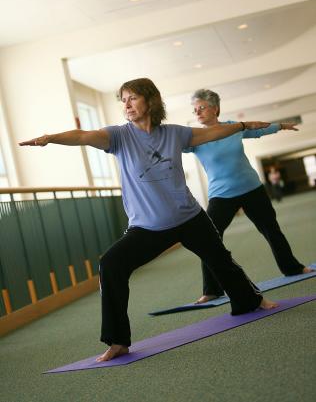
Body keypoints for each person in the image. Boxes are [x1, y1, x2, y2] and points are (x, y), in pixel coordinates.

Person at [20, 78, 277, 362]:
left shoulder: (174, 134)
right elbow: (82, 136)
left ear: (150, 100)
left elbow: (212, 134)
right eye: (123, 100)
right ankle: (117, 341)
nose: (126, 105)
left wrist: (242, 126)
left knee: (221, 261)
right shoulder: (118, 136)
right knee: (111, 264)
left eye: (132, 98)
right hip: (148, 227)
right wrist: (50, 137)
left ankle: (250, 301)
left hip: (189, 217)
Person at [186, 89, 313, 304]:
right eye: (195, 109)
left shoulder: (233, 127)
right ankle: (212, 289)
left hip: (252, 188)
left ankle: (292, 267)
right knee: (208, 240)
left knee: (272, 230)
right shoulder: (195, 138)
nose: (197, 112)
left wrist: (281, 126)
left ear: (215, 108)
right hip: (221, 195)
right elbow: (169, 144)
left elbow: (257, 130)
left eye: (202, 107)